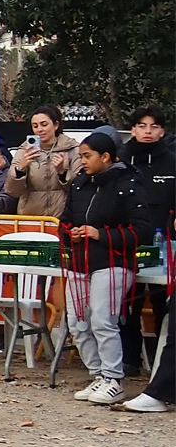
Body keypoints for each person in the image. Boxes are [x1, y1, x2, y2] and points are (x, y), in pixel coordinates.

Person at [60, 130, 154, 406]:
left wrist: (101, 234)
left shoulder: (128, 185)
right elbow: (64, 220)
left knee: (103, 320)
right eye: (80, 157)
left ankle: (114, 378)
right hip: (79, 262)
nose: (83, 162)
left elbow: (142, 230)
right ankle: (98, 374)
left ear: (106, 156)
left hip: (112, 263)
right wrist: (70, 233)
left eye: (87, 156)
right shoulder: (79, 184)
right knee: (78, 322)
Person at [122, 107, 173, 375]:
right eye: (142, 126)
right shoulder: (122, 161)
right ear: (133, 130)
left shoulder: (172, 162)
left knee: (165, 306)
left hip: (166, 247)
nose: (148, 131)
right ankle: (130, 359)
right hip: (128, 243)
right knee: (128, 305)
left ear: (162, 131)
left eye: (154, 126)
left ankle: (162, 363)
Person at [3, 105, 79, 218]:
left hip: (62, 218)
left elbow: (79, 188)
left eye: (44, 125)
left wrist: (62, 173)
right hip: (31, 219)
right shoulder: (24, 150)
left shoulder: (72, 149)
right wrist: (20, 170)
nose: (39, 130)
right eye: (35, 126)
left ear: (56, 125)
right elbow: (12, 191)